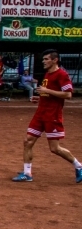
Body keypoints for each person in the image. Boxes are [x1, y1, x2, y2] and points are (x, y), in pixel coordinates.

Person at [13, 49, 82, 183]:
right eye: (43, 59)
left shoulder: (62, 74)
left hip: (52, 115)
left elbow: (68, 94)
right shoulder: (47, 74)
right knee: (27, 141)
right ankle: (27, 173)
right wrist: (40, 98)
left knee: (54, 148)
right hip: (40, 113)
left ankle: (79, 166)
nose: (43, 61)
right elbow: (50, 94)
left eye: (46, 59)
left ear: (55, 60)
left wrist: (46, 91)